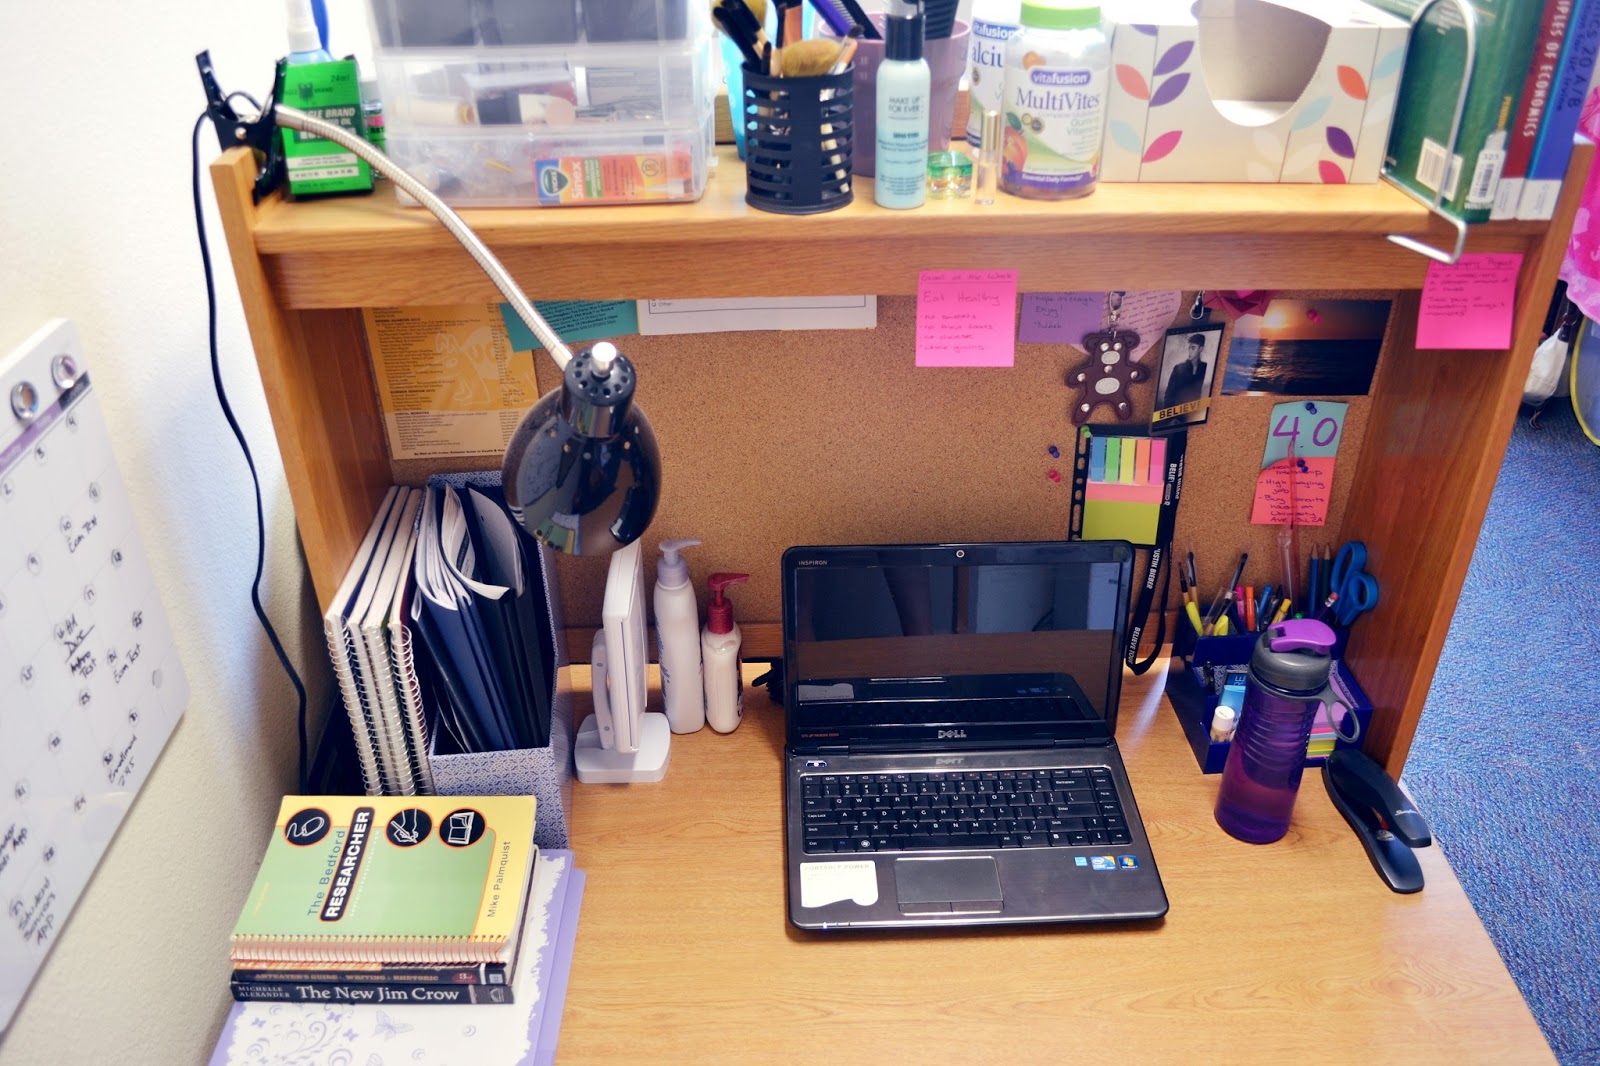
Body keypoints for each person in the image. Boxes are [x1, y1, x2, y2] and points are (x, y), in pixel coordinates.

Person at [1160, 333, 1210, 410]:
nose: (1190, 351)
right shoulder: (1178, 368)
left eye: (1193, 348)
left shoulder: (1204, 367)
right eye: (1189, 348)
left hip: (1195, 412)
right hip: (1177, 413)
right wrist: (1170, 418)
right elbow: (1169, 395)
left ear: (1200, 349)